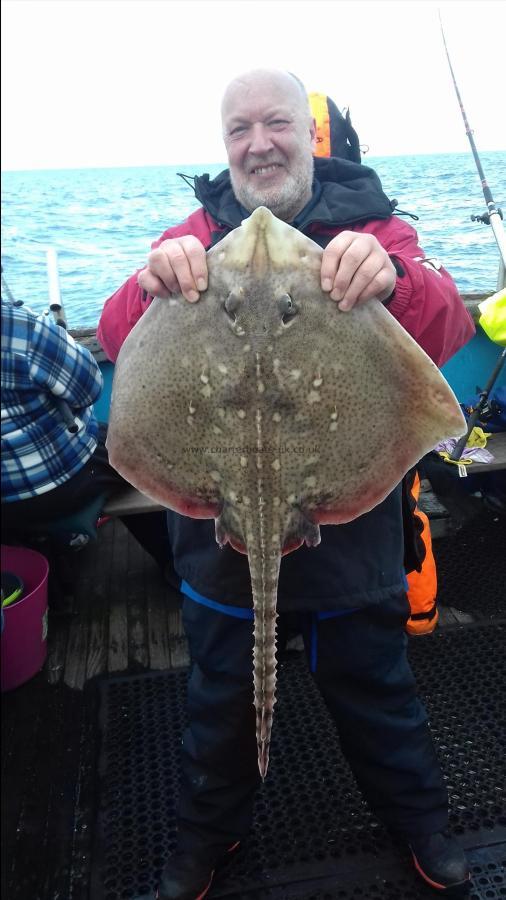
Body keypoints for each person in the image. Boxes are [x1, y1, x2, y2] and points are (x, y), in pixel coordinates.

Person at [98, 69, 476, 899]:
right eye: (240, 130)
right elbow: (122, 338)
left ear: (310, 136)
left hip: (352, 529)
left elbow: (446, 321)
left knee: (377, 694)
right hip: (219, 524)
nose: (258, 143)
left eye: (276, 124)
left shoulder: (376, 228)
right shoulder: (192, 233)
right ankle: (207, 837)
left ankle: (421, 824)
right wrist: (149, 280)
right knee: (221, 704)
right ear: (225, 145)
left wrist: (394, 279)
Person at [1, 298, 172, 579]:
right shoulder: (21, 327)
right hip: (62, 486)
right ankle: (170, 560)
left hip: (6, 506)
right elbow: (89, 387)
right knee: (135, 458)